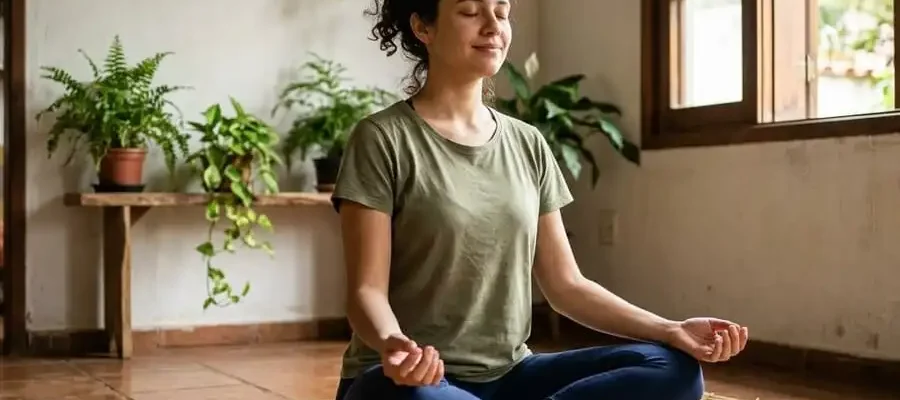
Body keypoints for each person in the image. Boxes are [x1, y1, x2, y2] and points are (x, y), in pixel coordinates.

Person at [330, 0, 750, 399]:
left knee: (672, 369)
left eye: (502, 11)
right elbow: (366, 291)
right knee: (395, 396)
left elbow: (566, 286)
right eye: (470, 12)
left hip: (511, 378)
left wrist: (669, 328)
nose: (493, 26)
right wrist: (394, 344)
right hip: (410, 382)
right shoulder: (382, 139)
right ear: (423, 27)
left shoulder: (527, 143)